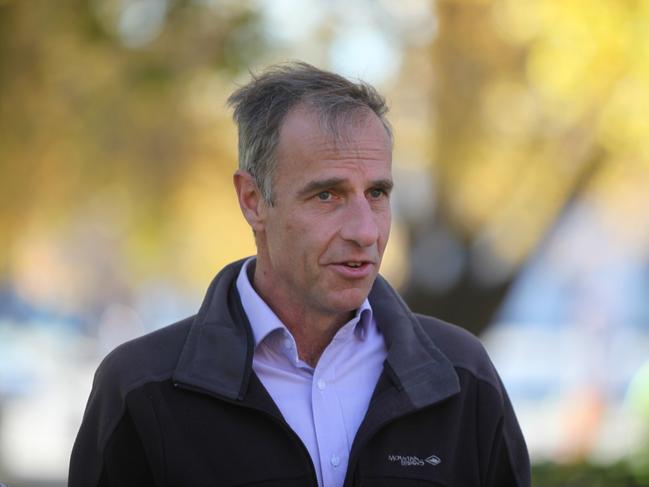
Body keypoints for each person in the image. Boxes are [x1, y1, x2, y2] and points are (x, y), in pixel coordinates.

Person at [69, 62, 530, 487]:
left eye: (377, 192)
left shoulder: (463, 377)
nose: (365, 231)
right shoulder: (140, 389)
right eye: (327, 195)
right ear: (252, 199)